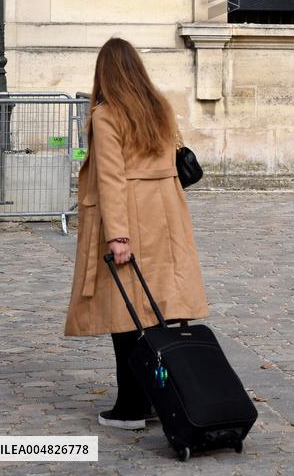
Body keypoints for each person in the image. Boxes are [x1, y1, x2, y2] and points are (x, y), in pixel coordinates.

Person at [65, 38, 208, 430]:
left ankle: (131, 406)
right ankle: (156, 399)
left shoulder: (106, 115)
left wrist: (118, 237)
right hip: (166, 217)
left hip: (129, 217)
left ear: (104, 73)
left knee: (125, 314)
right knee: (157, 312)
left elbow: (111, 179)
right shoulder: (159, 107)